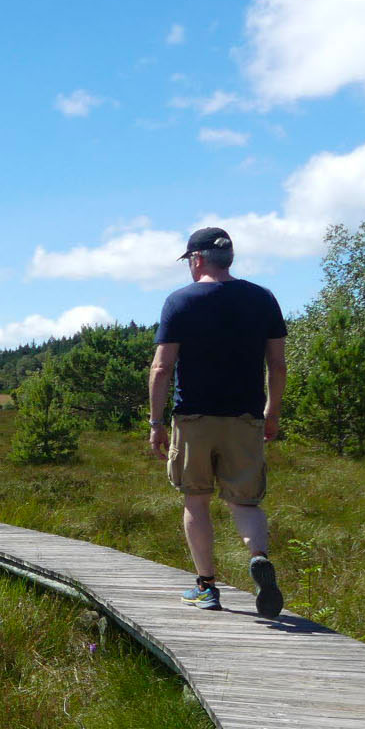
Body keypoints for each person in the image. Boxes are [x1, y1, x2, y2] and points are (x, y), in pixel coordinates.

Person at [148, 227, 287, 616]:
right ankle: (258, 556)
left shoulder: (181, 301)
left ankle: (207, 587)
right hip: (245, 417)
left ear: (196, 259)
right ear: (229, 258)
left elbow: (162, 368)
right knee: (246, 501)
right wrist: (271, 414)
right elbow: (277, 364)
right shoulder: (262, 299)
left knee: (196, 499)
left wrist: (156, 423)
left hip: (193, 417)